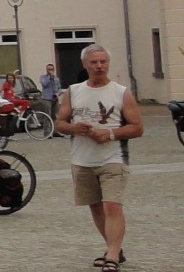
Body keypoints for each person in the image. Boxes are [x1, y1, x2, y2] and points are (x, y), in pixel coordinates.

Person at [54, 45, 143, 271]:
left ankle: (111, 256)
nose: (99, 66)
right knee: (95, 208)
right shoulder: (72, 91)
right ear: (85, 65)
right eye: (94, 62)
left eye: (103, 61)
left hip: (113, 158)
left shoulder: (121, 92)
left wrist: (111, 133)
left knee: (112, 206)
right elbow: (60, 124)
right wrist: (75, 127)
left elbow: (137, 127)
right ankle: (114, 247)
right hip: (82, 159)